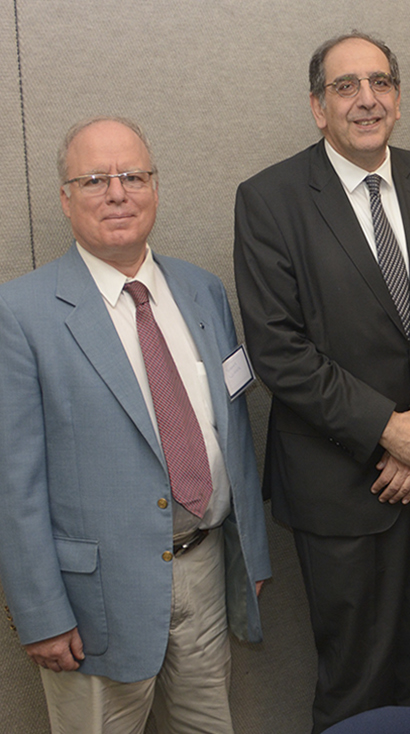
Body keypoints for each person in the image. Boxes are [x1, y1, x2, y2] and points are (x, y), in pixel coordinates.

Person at [233, 32, 410, 732]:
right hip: (342, 490)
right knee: (359, 683)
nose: (366, 99)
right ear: (319, 107)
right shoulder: (270, 200)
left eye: (379, 82)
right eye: (346, 86)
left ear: (400, 98)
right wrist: (388, 430)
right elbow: (278, 350)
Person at [0, 117, 271, 733]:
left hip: (203, 569)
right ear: (65, 198)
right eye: (94, 179)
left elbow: (232, 431)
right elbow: (12, 485)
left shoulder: (203, 291)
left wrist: (248, 556)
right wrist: (41, 612)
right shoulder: (19, 314)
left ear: (155, 186)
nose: (117, 192)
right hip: (95, 600)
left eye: (132, 176)